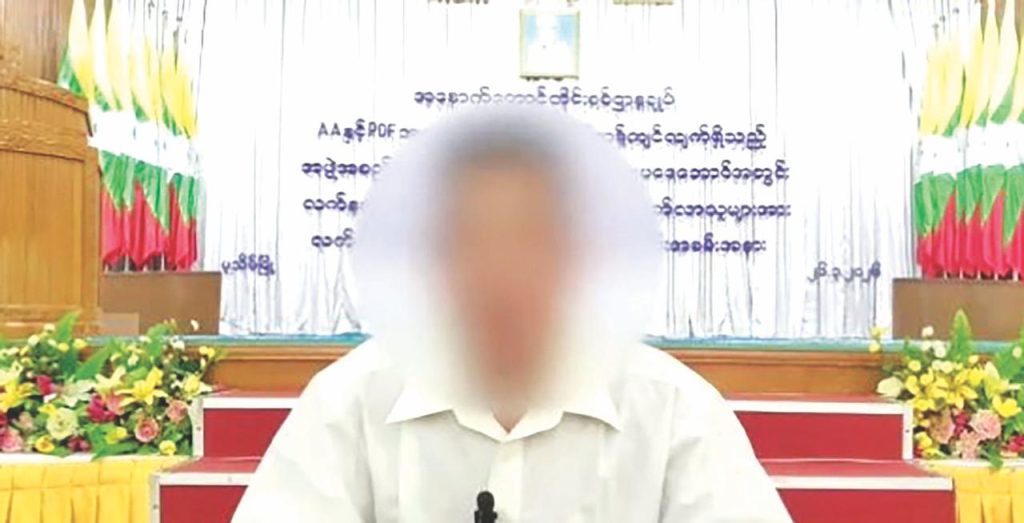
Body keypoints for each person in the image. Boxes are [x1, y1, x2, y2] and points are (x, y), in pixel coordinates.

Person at [232, 106, 791, 522]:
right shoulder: (349, 401)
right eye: (472, 239)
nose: (501, 272)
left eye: (531, 237)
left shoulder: (674, 408)